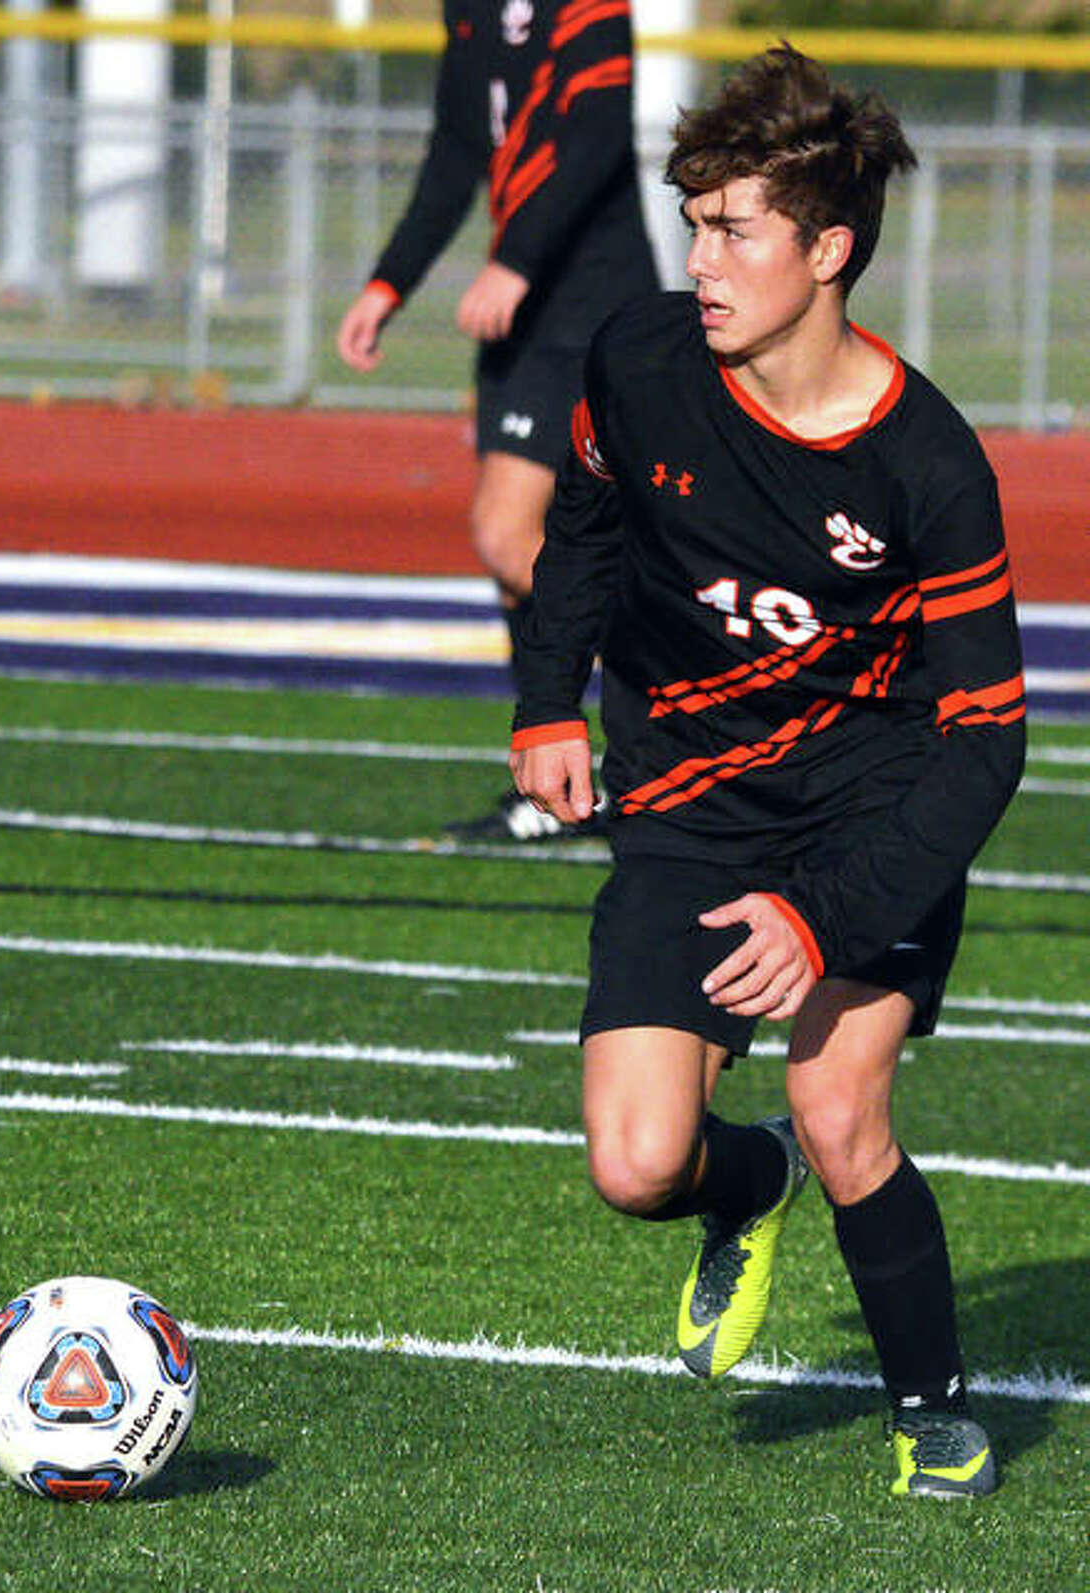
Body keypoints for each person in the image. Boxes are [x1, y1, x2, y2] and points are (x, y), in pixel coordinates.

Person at [509, 43, 1026, 1497]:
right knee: (636, 1165)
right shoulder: (640, 359)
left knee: (839, 1100)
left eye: (737, 228)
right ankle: (750, 1190)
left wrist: (830, 918)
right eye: (696, 220)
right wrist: (545, 702)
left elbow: (989, 736)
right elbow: (585, 535)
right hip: (687, 798)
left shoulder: (930, 464)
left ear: (830, 250)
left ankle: (934, 1408)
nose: (703, 255)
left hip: (873, 806)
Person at [336, 0, 658, 839]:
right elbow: (455, 152)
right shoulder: (471, 11)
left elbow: (595, 138)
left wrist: (515, 262)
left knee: (511, 537)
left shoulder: (588, 8)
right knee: (516, 552)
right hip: (525, 323)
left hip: (592, 307)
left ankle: (682, 710)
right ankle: (560, 785)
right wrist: (387, 283)